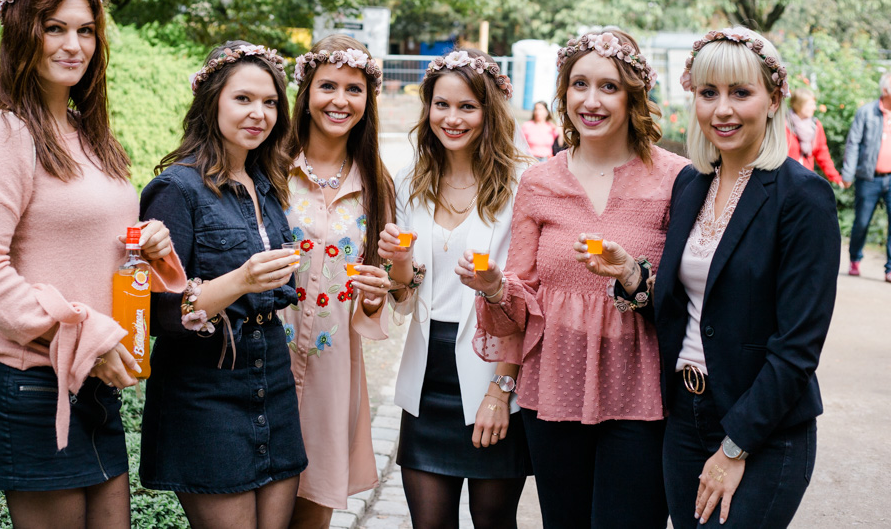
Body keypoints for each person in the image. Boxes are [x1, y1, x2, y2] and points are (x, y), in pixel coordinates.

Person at [0, 0, 185, 528]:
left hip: (93, 380)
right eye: (54, 28)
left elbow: (97, 249)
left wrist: (151, 249)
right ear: (22, 35)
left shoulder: (90, 135)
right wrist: (86, 338)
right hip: (32, 384)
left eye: (84, 31)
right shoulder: (8, 134)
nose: (72, 44)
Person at [471, 30, 686, 528]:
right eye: (579, 84)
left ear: (633, 95)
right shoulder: (540, 181)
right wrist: (495, 292)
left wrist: (633, 275)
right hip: (556, 387)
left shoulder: (676, 178)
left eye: (608, 87)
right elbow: (521, 299)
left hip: (641, 391)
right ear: (563, 93)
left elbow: (686, 297)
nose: (591, 101)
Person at [652, 27, 839, 527]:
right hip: (685, 418)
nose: (722, 110)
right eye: (708, 93)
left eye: (741, 92)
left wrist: (735, 447)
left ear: (774, 98)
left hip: (764, 428)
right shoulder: (691, 184)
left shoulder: (803, 198)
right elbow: (687, 305)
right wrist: (632, 277)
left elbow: (798, 346)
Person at [137, 41, 307, 529]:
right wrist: (241, 280)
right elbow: (156, 313)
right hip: (202, 389)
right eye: (243, 99)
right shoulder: (177, 188)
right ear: (212, 101)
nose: (260, 113)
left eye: (271, 102)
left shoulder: (268, 183)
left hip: (272, 375)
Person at [379, 49, 532, 529]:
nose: (452, 118)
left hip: (494, 371)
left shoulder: (522, 184)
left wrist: (499, 391)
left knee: (493, 520)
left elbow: (528, 300)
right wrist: (399, 267)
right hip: (426, 377)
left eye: (467, 106)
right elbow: (403, 301)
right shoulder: (410, 180)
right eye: (441, 105)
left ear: (490, 111)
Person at [281, 35, 394, 528]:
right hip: (268, 358)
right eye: (328, 86)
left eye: (354, 89)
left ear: (368, 101)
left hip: (333, 368)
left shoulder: (376, 185)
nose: (340, 101)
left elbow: (380, 292)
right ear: (306, 92)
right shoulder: (268, 168)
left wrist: (374, 297)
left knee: (312, 510)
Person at [841, 72, 891, 281]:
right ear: (885, 90)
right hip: (868, 178)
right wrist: (848, 173)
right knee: (861, 222)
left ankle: (889, 268)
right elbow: (853, 143)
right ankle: (855, 258)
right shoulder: (867, 112)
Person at [785, 88, 843, 186]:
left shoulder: (815, 125)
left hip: (805, 179)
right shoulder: (784, 124)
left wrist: (835, 177)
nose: (814, 108)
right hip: (785, 179)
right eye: (811, 105)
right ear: (799, 105)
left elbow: (822, 153)